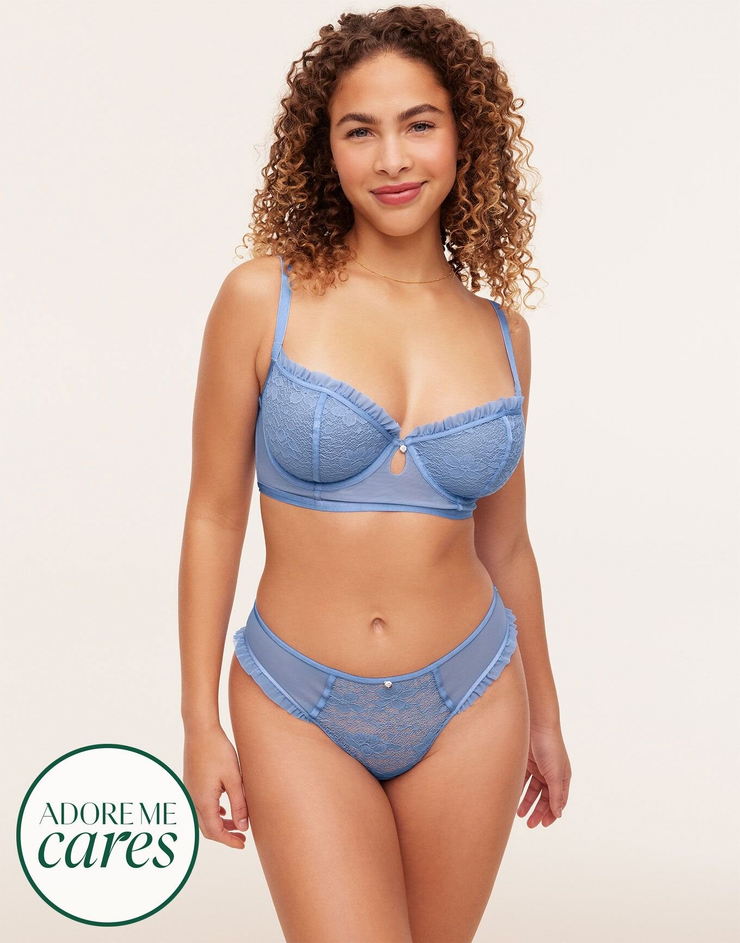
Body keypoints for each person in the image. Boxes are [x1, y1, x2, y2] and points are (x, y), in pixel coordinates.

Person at [179, 6, 571, 941]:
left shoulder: (504, 334)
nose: (392, 158)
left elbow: (507, 547)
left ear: (464, 137)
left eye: (419, 124)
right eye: (360, 130)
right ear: (325, 149)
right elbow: (213, 516)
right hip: (295, 702)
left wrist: (546, 719)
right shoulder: (261, 298)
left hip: (474, 697)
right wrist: (199, 722)